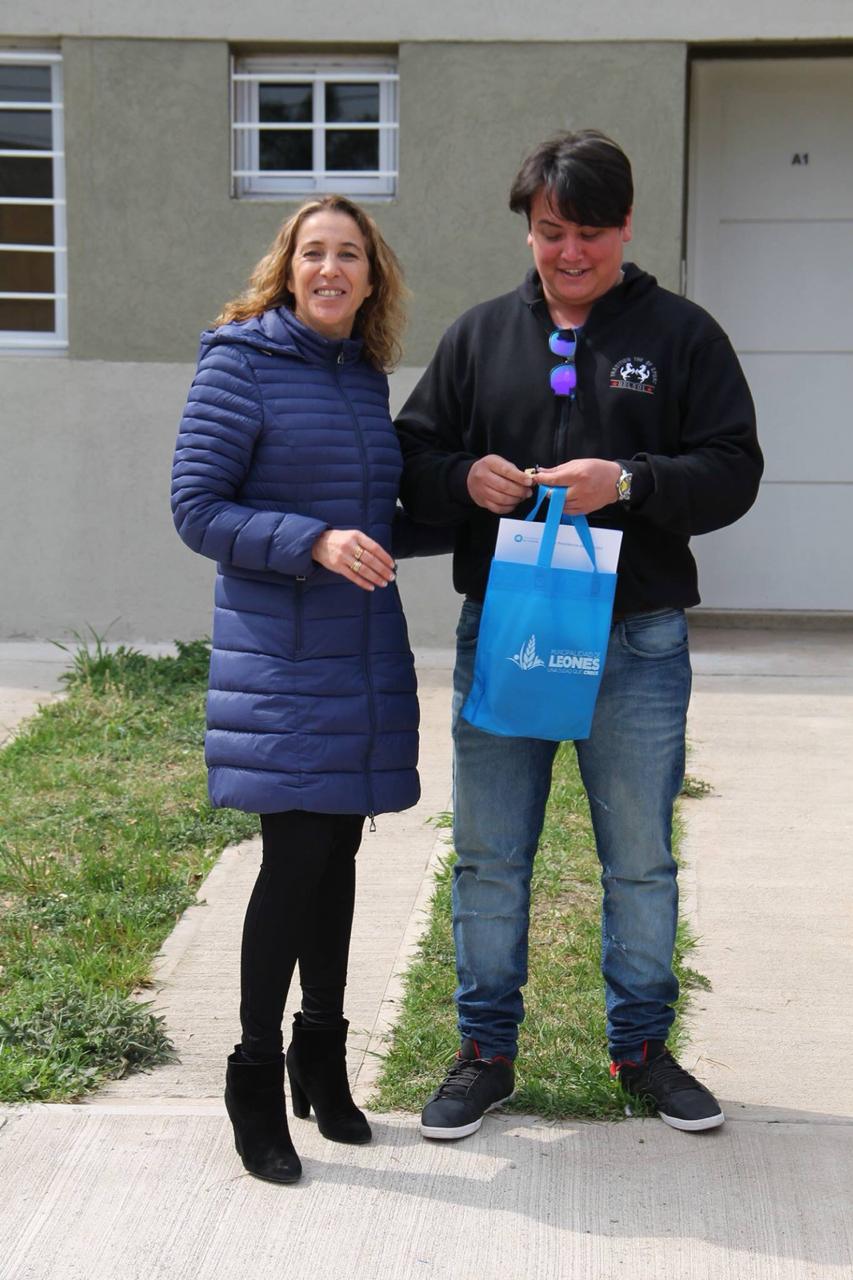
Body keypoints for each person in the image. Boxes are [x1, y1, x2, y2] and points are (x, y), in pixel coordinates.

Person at [396, 129, 763, 1140]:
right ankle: (484, 1052)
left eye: (590, 232)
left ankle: (640, 1050)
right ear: (528, 227)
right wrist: (461, 476)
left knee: (638, 859)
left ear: (626, 226)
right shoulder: (479, 336)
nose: (569, 252)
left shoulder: (682, 335)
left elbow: (733, 469)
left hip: (635, 641)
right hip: (508, 629)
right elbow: (413, 458)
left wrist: (630, 482)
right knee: (488, 855)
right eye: (551, 230)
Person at [172, 195, 439, 1184]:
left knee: (337, 851)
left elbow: (372, 516)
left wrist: (477, 500)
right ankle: (252, 1071)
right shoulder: (238, 362)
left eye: (349, 254)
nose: (331, 268)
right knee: (293, 857)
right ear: (287, 269)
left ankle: (318, 1052)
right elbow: (197, 507)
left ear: (373, 278)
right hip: (281, 657)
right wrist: (311, 541)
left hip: (356, 649)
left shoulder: (361, 373)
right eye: (313, 252)